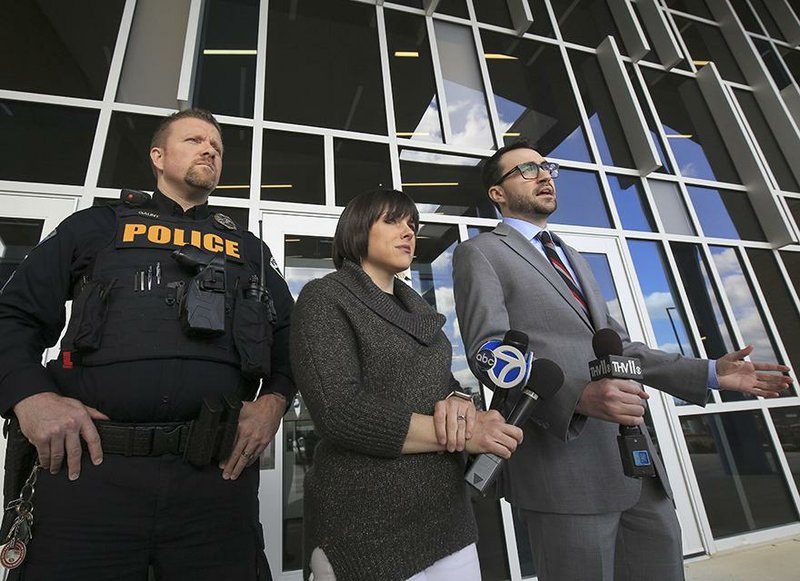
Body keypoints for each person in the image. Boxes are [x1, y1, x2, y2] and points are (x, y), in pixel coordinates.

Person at [451, 139, 792, 581]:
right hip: (566, 473)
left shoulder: (571, 256)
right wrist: (575, 398)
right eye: (528, 170)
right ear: (497, 193)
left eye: (547, 167)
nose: (545, 176)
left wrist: (709, 372)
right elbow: (490, 351)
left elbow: (621, 350)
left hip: (636, 470)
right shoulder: (481, 253)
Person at [0, 108, 295, 580]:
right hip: (91, 473)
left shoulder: (248, 250)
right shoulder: (96, 227)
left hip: (214, 484)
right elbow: (12, 314)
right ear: (157, 156)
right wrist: (29, 397)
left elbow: (291, 339)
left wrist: (273, 404)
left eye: (217, 146)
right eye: (195, 140)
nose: (210, 149)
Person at [289, 189, 524, 581]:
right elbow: (340, 412)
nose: (409, 233)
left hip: (449, 520)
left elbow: (445, 384)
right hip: (365, 527)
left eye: (413, 225)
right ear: (357, 229)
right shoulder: (325, 297)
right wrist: (464, 434)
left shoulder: (421, 311)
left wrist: (458, 400)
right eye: (393, 222)